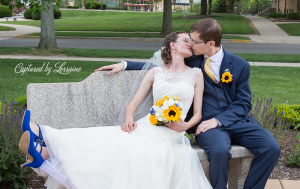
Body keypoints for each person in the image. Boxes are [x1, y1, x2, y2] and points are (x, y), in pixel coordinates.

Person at [96, 18, 281, 189]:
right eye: (189, 40)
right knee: (219, 152)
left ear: (211, 43)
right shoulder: (191, 60)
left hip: (238, 122)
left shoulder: (240, 66)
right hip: (206, 127)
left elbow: (243, 103)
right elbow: (158, 67)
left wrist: (218, 120)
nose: (190, 44)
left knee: (271, 148)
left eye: (194, 41)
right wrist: (125, 64)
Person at [19, 31, 213, 189]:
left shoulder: (196, 74)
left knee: (123, 146)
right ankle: (43, 140)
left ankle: (44, 146)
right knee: (109, 136)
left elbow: (198, 113)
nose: (191, 44)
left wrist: (185, 125)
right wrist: (129, 119)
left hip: (171, 133)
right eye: (186, 40)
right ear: (172, 45)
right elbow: (133, 105)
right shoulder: (156, 72)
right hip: (147, 125)